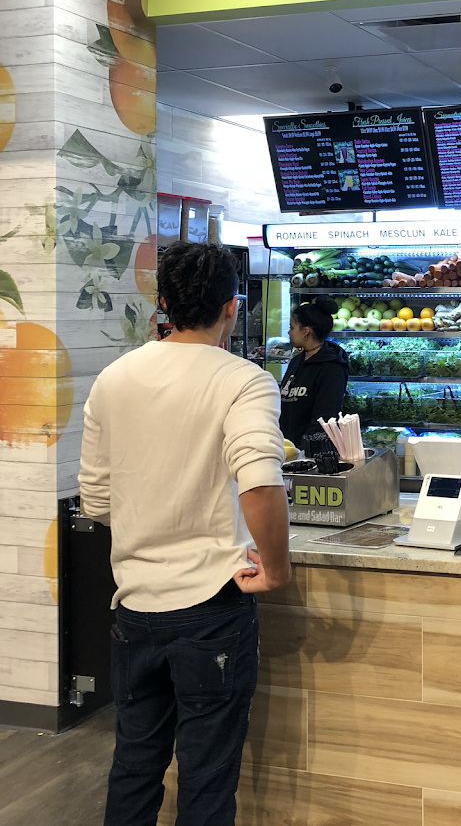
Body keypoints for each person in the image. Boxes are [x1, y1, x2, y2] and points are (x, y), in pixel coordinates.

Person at [79, 241, 291, 826]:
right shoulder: (244, 380)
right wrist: (276, 569)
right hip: (211, 607)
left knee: (134, 764)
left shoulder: (113, 378)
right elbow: (260, 482)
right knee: (206, 777)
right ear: (232, 307)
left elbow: (95, 500)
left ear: (164, 305)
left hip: (134, 606)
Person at [279, 296, 350, 447]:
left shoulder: (332, 367)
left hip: (312, 453)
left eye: (292, 327)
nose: (289, 332)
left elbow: (326, 417)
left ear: (305, 331)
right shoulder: (296, 361)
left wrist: (305, 450)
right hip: (288, 448)